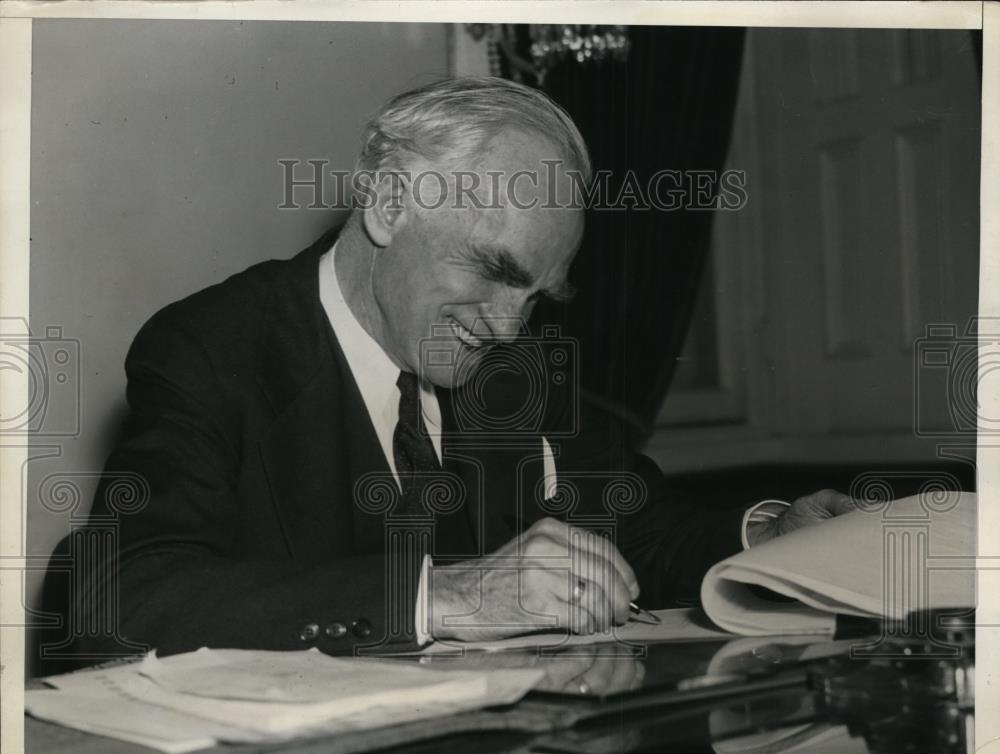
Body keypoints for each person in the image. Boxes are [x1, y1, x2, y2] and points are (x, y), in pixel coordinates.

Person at [42, 76, 854, 665]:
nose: (509, 325)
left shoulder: (510, 362)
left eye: (538, 295)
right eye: (495, 271)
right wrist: (451, 597)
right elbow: (114, 595)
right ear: (390, 203)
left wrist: (767, 537)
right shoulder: (214, 348)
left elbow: (630, 517)